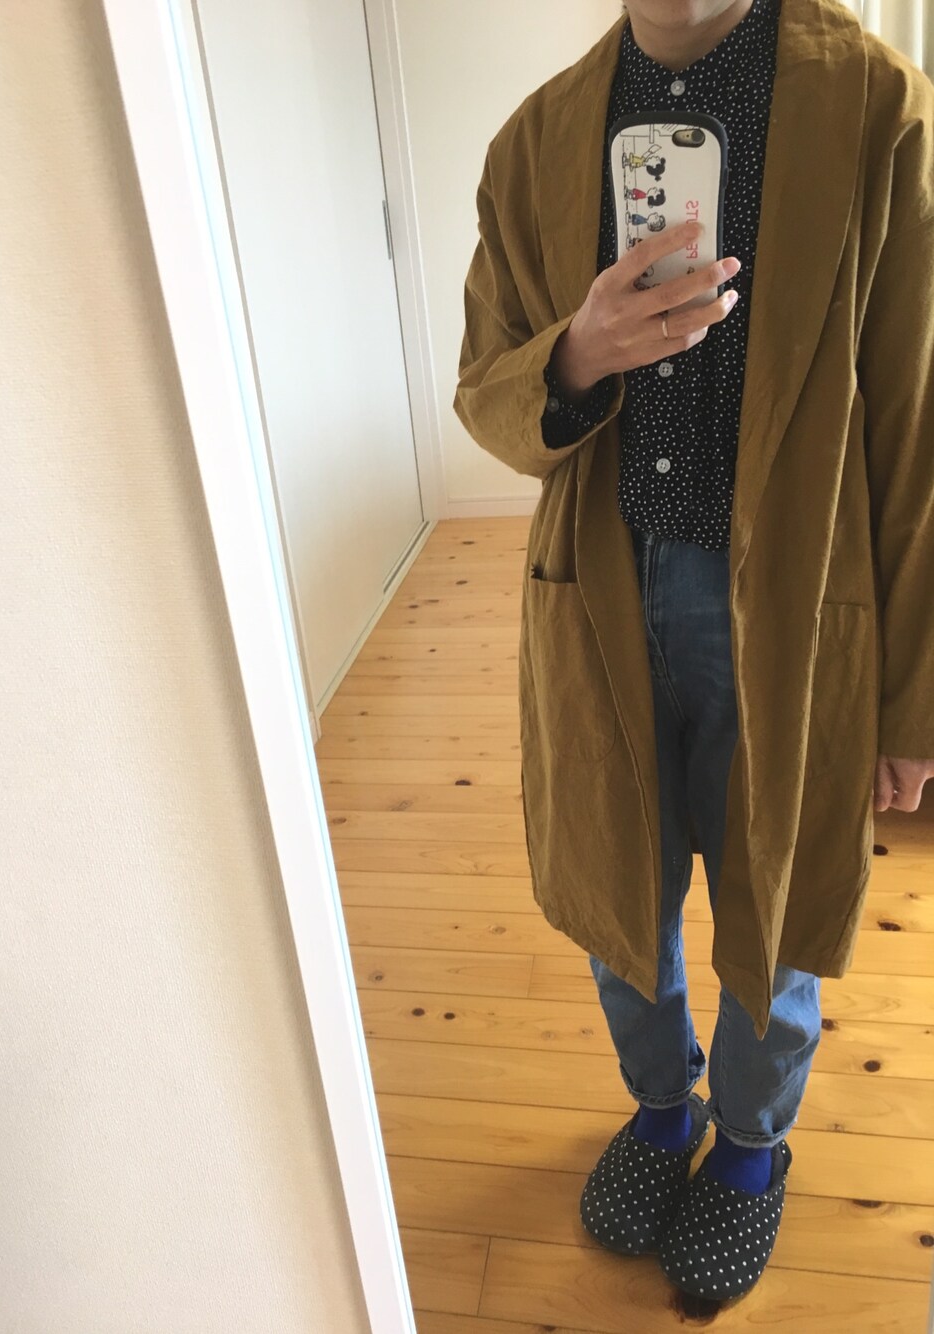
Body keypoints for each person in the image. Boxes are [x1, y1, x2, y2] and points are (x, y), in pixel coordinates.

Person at [453, 0, 934, 1304]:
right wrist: (575, 355)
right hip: (600, 593)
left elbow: (915, 416)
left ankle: (751, 1143)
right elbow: (484, 389)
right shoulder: (534, 142)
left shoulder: (875, 108)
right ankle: (662, 1107)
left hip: (797, 604)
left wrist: (913, 703)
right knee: (621, 886)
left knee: (778, 901)